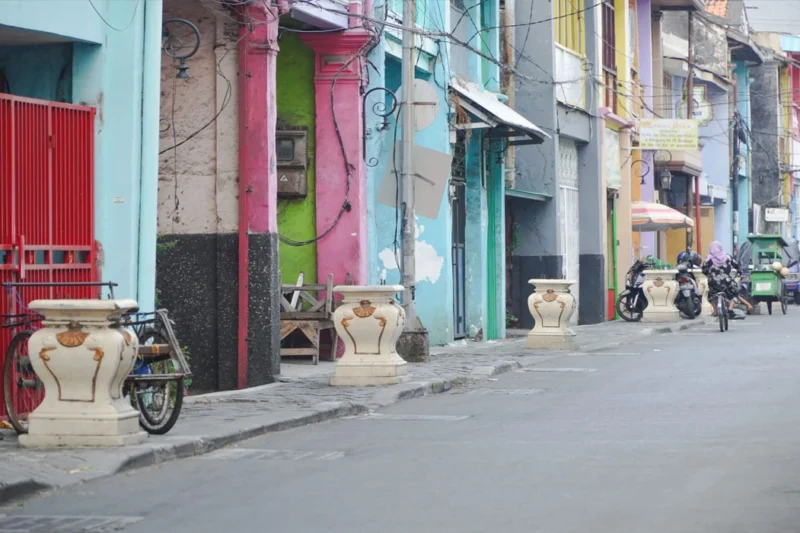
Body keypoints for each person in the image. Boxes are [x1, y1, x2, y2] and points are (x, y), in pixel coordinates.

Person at [702, 241, 752, 315]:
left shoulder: (708, 259)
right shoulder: (727, 257)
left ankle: (715, 311)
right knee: (734, 292)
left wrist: (710, 275)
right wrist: (739, 272)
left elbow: (704, 270)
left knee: (711, 295)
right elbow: (736, 265)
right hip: (726, 281)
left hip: (713, 282)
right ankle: (730, 308)